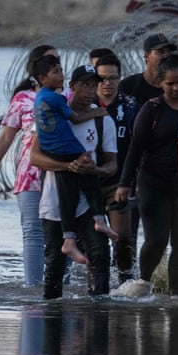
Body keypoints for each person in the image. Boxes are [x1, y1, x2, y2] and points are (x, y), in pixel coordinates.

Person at [29, 70, 118, 298]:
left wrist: (94, 170)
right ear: (72, 85)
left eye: (93, 86)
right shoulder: (52, 110)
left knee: (99, 253)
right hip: (54, 199)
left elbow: (111, 165)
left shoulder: (102, 120)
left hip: (88, 200)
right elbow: (35, 158)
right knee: (54, 264)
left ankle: (99, 309)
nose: (90, 91)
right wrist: (68, 167)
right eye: (85, 85)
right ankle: (51, 313)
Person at [115, 54, 178, 296]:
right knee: (157, 239)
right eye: (170, 83)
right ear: (161, 82)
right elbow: (135, 148)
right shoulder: (151, 109)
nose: (176, 88)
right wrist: (124, 184)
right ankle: (144, 282)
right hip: (153, 183)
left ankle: (176, 294)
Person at [0, 44, 57, 286]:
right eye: (51, 61)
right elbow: (5, 137)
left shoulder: (68, 96)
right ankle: (33, 287)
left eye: (59, 61)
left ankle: (58, 284)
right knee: (33, 232)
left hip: (60, 173)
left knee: (61, 232)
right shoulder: (23, 99)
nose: (57, 66)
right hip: (29, 175)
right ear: (37, 69)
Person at [95, 54, 140, 283]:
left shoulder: (130, 106)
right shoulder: (84, 104)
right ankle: (94, 282)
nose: (107, 84)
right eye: (102, 78)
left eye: (113, 78)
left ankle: (126, 281)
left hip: (119, 181)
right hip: (89, 181)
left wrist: (135, 179)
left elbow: (140, 144)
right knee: (91, 238)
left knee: (123, 237)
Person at [119, 33, 176, 107]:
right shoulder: (128, 86)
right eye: (161, 51)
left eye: (169, 52)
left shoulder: (173, 89)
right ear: (147, 56)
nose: (166, 55)